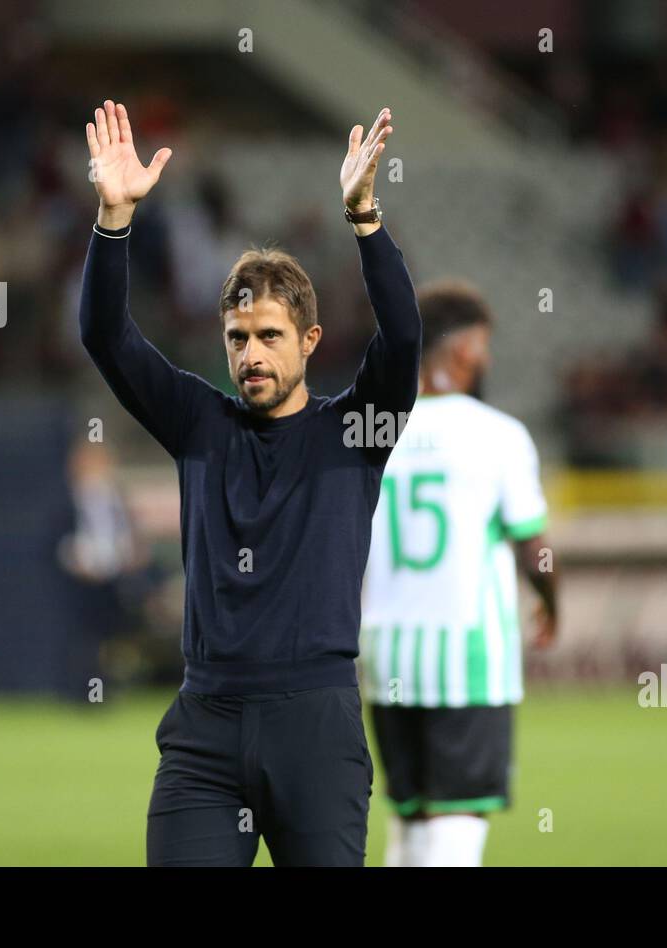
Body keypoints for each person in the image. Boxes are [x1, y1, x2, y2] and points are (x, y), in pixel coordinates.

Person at [79, 100, 420, 866]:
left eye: (270, 336)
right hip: (205, 728)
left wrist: (364, 220)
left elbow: (402, 336)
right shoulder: (199, 422)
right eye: (238, 338)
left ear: (309, 340)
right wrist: (112, 220)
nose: (252, 353)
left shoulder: (355, 432)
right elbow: (106, 336)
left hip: (316, 726)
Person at [360, 280, 559, 866]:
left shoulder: (374, 432)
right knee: (458, 817)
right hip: (466, 656)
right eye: (484, 345)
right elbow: (534, 549)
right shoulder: (497, 435)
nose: (488, 359)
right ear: (466, 347)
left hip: (386, 651)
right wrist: (552, 603)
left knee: (411, 815)